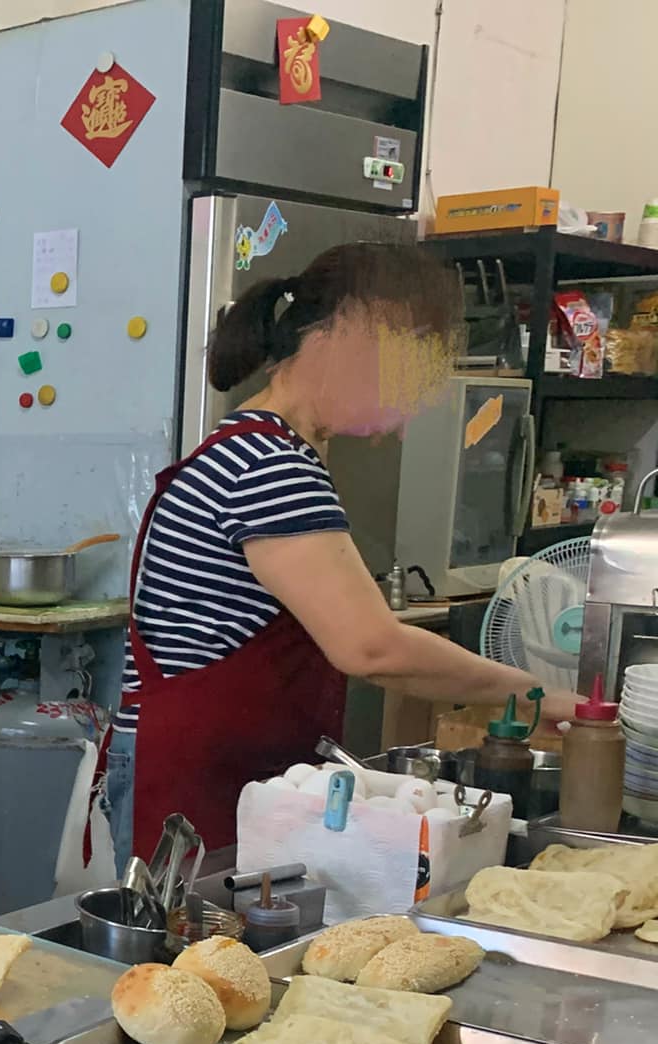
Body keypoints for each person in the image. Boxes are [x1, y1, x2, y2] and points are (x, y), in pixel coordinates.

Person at [102, 241, 577, 868]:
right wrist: (536, 693)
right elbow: (370, 647)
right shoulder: (269, 467)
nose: (408, 406)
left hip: (226, 769)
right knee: (194, 962)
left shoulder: (253, 447)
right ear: (342, 335)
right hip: (201, 782)